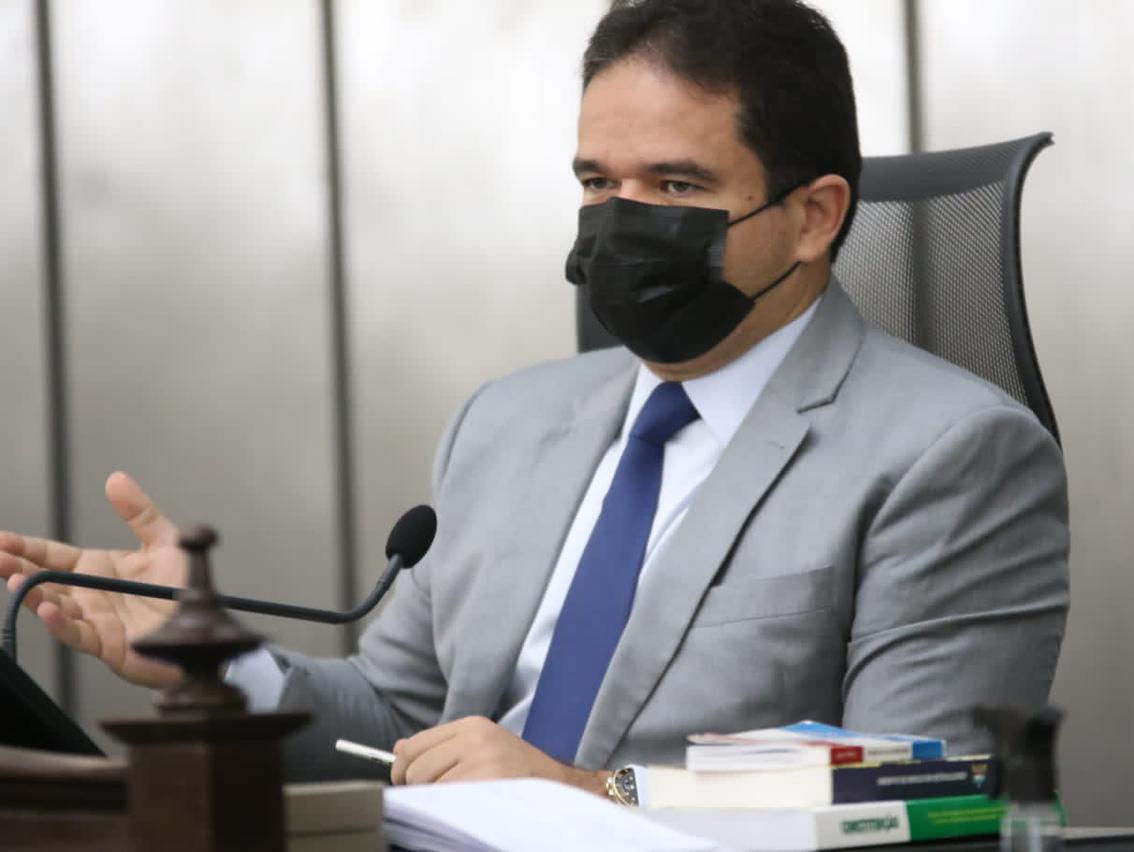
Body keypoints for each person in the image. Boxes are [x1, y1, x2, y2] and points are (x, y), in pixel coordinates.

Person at [0, 0, 1068, 804]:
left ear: (814, 217)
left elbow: (919, 784)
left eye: (675, 186)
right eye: (598, 183)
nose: (620, 222)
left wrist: (591, 793)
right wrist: (215, 658)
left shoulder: (953, 453)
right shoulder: (505, 424)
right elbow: (402, 722)